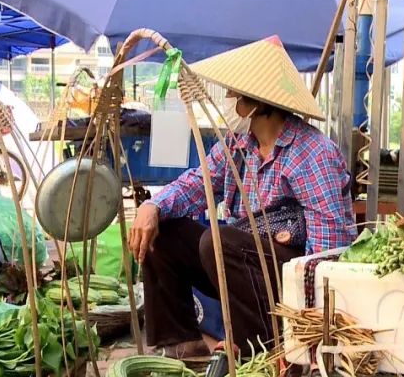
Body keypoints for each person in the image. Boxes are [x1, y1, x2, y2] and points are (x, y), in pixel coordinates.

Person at [128, 36, 357, 358]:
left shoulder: (311, 153)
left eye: (233, 95)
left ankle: (260, 349)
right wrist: (152, 206)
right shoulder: (239, 146)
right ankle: (180, 339)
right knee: (164, 231)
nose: (227, 101)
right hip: (242, 264)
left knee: (219, 241)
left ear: (254, 104)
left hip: (286, 278)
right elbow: (197, 183)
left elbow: (327, 249)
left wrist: (311, 323)